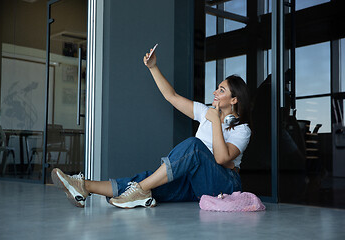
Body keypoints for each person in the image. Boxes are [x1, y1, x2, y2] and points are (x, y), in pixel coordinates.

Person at [51, 47, 251, 209]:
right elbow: (171, 96)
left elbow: (221, 159)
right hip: (195, 183)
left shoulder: (242, 129)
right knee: (151, 181)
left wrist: (216, 121)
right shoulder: (205, 112)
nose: (215, 92)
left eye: (221, 90)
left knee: (194, 146)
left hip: (226, 185)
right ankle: (83, 187)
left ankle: (138, 190)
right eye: (217, 87)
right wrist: (153, 67)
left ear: (234, 99)